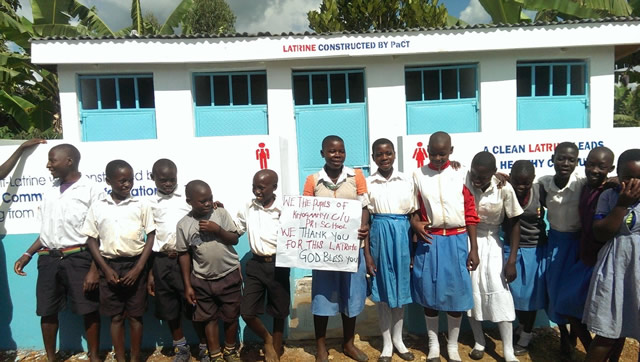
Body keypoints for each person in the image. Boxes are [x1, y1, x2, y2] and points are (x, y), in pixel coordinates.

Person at [13, 144, 101, 362]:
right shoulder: (51, 190)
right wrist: (28, 254)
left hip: (79, 257)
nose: (48, 165)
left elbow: (99, 232)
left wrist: (94, 269)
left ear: (69, 161)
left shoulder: (91, 189)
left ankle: (94, 355)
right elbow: (46, 232)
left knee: (88, 309)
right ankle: (51, 357)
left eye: (53, 160)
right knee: (47, 310)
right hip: (49, 259)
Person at [410, 131, 480, 362]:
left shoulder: (461, 173)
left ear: (451, 151)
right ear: (427, 150)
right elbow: (413, 208)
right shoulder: (418, 175)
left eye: (443, 153)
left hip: (457, 239)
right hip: (430, 239)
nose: (438, 158)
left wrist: (474, 248)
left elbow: (470, 212)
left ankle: (451, 345)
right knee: (429, 292)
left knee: (456, 295)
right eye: (434, 153)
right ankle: (433, 344)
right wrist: (414, 222)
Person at [302, 135, 370, 362]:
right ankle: (321, 346)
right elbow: (305, 211)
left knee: (350, 297)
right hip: (323, 251)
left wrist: (363, 226)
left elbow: (364, 206)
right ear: (322, 153)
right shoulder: (313, 180)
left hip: (351, 249)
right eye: (331, 151)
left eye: (341, 150)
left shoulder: (356, 176)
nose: (337, 155)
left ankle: (348, 343)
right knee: (322, 297)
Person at [83, 159, 156, 362]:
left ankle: (134, 357)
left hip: (135, 264)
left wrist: (139, 268)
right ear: (108, 181)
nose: (127, 185)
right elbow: (91, 239)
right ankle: (121, 357)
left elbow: (151, 236)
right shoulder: (98, 206)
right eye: (122, 181)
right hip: (109, 265)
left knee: (135, 315)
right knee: (115, 316)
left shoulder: (141, 204)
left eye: (130, 180)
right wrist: (104, 269)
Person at [556, 147, 619, 354]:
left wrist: (618, 181)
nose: (594, 170)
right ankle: (592, 352)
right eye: (591, 164)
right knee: (567, 304)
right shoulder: (584, 187)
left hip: (606, 259)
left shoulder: (613, 192)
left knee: (611, 316)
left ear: (610, 168)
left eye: (601, 167)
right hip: (585, 256)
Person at [147, 159, 209, 362]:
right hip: (162, 260)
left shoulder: (186, 199)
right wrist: (150, 272)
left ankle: (203, 346)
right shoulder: (149, 204)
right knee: (169, 307)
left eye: (172, 179)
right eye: (163, 180)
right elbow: (150, 236)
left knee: (194, 304)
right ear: (153, 178)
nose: (168, 184)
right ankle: (180, 347)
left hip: (188, 259)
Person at [583, 149, 640, 362]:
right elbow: (601, 232)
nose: (634, 183)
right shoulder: (609, 197)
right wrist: (622, 205)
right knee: (606, 333)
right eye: (628, 177)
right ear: (618, 174)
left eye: (639, 178)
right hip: (615, 269)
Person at [465, 151, 523, 362]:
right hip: (468, 241)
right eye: (474, 174)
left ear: (493, 173)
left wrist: (512, 260)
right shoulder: (465, 180)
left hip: (493, 242)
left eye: (482, 176)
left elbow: (515, 224)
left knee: (500, 291)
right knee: (472, 290)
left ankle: (507, 349)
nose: (476, 180)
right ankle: (479, 341)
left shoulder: (503, 188)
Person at [177, 180, 242, 362]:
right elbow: (183, 255)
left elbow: (234, 239)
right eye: (202, 201)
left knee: (231, 316)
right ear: (189, 201)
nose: (207, 204)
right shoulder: (184, 224)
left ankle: (230, 350)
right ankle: (215, 354)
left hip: (228, 274)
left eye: (210, 199)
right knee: (208, 318)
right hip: (202, 279)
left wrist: (217, 230)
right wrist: (188, 285)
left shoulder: (220, 213)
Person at [365, 138, 415, 362]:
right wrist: (367, 253)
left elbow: (414, 214)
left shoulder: (407, 179)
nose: (384, 158)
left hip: (402, 234)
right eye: (379, 154)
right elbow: (365, 219)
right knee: (384, 289)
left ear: (394, 154)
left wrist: (413, 248)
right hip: (379, 233)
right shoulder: (368, 183)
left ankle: (399, 340)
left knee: (401, 288)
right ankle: (386, 343)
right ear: (374, 157)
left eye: (388, 153)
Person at [236, 169, 289, 362]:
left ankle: (275, 348)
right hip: (256, 265)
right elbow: (235, 231)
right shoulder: (249, 207)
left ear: (274, 187)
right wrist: (217, 216)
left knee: (279, 309)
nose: (256, 191)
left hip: (279, 264)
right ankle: (267, 340)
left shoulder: (285, 208)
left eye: (261, 187)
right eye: (254, 186)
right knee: (247, 311)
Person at [537, 142, 584, 353]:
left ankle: (574, 337)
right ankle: (564, 334)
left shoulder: (582, 184)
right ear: (553, 158)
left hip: (577, 245)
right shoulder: (544, 184)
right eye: (561, 158)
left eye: (571, 160)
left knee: (576, 292)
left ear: (576, 162)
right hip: (555, 242)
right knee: (555, 291)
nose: (565, 163)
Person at [503, 160, 548, 356]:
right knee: (513, 294)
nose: (521, 187)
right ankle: (522, 325)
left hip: (534, 249)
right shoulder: (503, 189)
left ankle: (527, 334)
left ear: (533, 180)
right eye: (517, 182)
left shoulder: (540, 192)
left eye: (526, 183)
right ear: (510, 177)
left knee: (530, 296)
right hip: (510, 249)